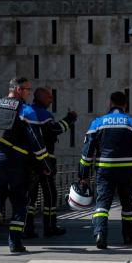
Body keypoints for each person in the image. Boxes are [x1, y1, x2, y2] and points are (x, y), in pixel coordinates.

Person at [0, 77, 53, 253]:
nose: (29, 93)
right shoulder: (26, 110)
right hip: (18, 162)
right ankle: (15, 243)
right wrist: (45, 164)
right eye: (27, 89)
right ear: (18, 89)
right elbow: (36, 141)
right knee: (19, 201)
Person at [78, 91, 132, 249]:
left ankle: (100, 234)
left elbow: (87, 153)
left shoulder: (97, 123)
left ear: (110, 103)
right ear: (125, 105)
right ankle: (128, 237)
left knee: (102, 205)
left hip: (105, 170)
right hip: (128, 171)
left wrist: (83, 175)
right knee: (127, 205)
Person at [24, 87, 77, 238]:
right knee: (50, 195)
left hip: (28, 161)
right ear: (41, 97)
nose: (51, 100)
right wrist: (70, 118)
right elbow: (55, 130)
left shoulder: (28, 111)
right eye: (49, 98)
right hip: (44, 161)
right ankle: (49, 227)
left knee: (31, 196)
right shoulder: (42, 114)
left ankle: (27, 229)